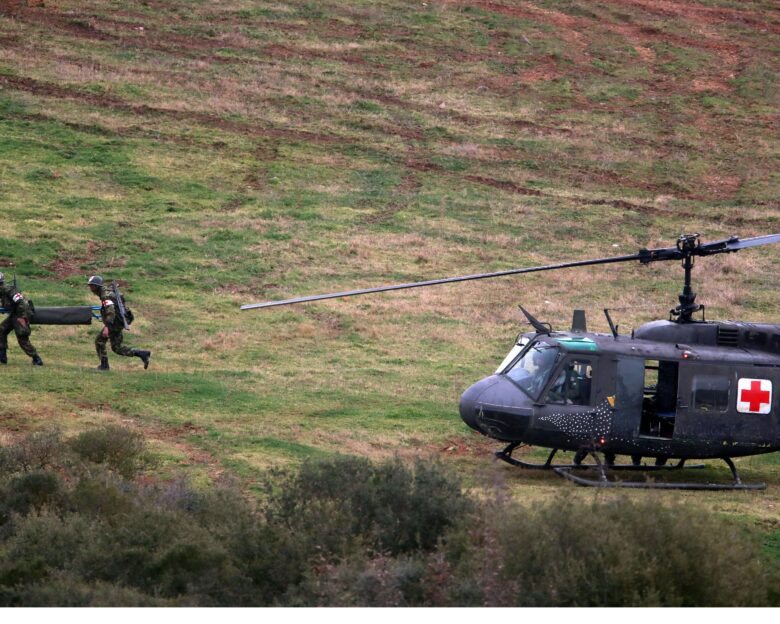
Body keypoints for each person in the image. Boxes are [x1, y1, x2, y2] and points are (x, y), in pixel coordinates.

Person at [87, 275, 151, 371]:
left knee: (99, 341)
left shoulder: (105, 295)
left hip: (114, 323)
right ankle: (142, 354)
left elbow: (111, 311)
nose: (90, 288)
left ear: (97, 286)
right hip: (119, 321)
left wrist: (107, 326)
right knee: (117, 348)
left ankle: (104, 366)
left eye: (92, 286)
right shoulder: (109, 292)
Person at [0, 272, 43, 366]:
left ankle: (36, 359)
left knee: (22, 338)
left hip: (20, 315)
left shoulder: (8, 290)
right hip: (15, 314)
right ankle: (2, 357)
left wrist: (22, 318)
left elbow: (21, 302)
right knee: (2, 329)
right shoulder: (2, 290)